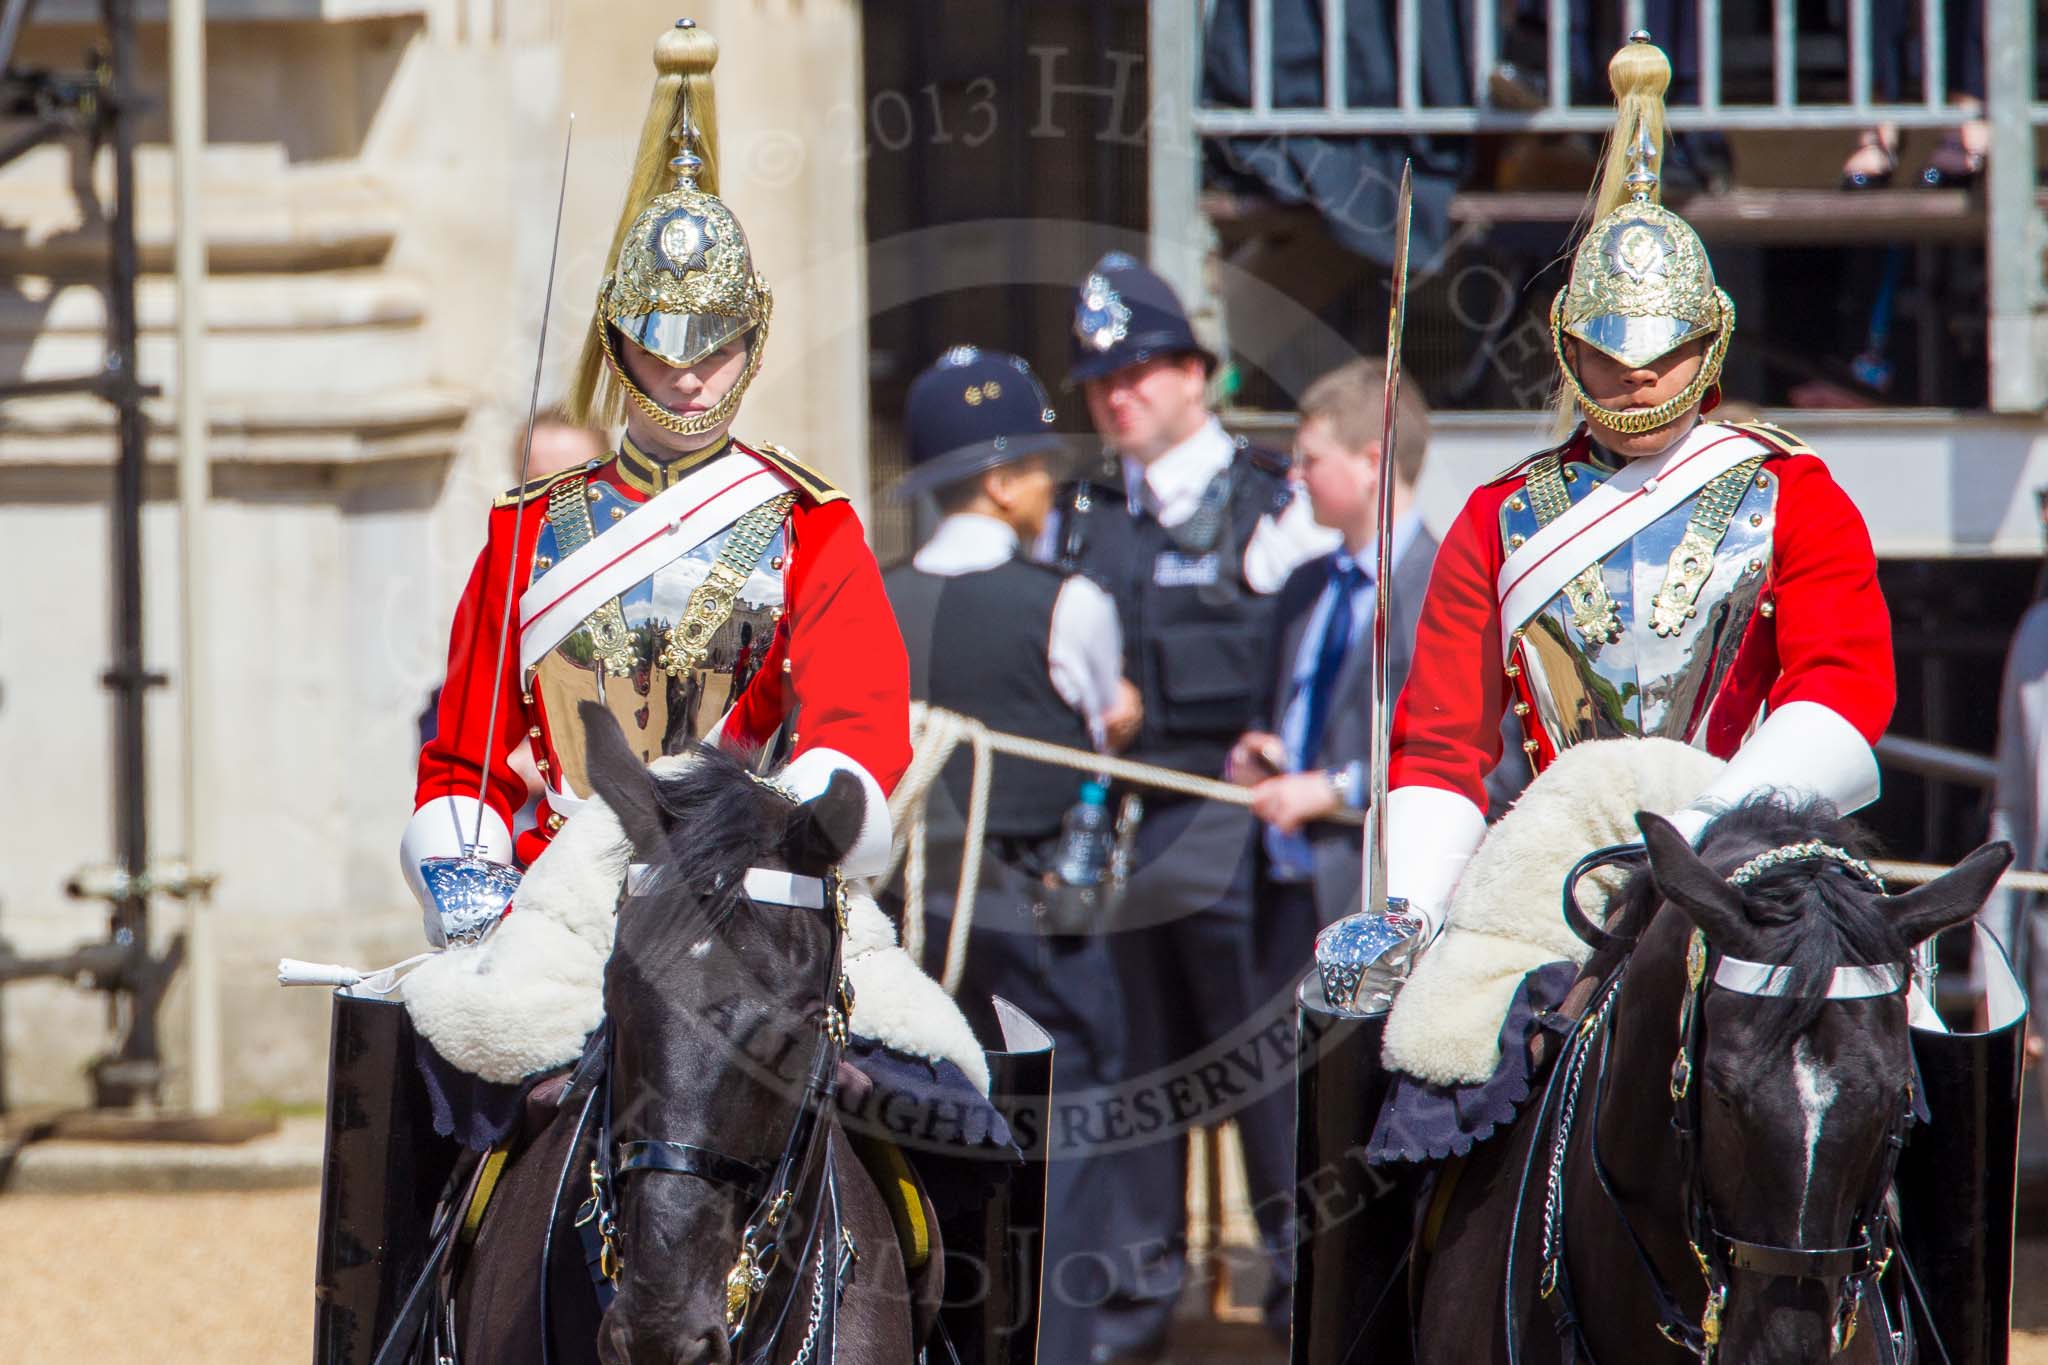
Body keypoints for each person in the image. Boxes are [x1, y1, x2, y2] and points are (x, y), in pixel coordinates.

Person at [1345, 33, 1898, 974]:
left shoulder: (1794, 492)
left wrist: (1699, 833)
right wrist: (1409, 910)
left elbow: (1843, 689)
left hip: (1752, 854)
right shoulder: (1498, 518)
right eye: (1610, 353)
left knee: (1900, 1045)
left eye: (1665, 350)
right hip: (1556, 872)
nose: (1639, 378)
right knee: (1412, 1064)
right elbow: (1439, 745)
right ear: (1569, 347)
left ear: (1710, 340)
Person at [403, 20, 910, 944]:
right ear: (617, 341)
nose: (688, 372)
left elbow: (857, 727)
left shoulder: (812, 523)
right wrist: (468, 876)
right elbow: (464, 759)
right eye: (660, 341)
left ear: (750, 341)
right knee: (454, 1058)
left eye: (714, 342)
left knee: (915, 1062)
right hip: (560, 901)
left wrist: (790, 833)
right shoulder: (528, 527)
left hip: (752, 894)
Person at [1048, 251, 1332, 1360]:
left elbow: (1337, 655)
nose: (1119, 395)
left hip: (1246, 840)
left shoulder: (1278, 501)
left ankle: (1304, 1317)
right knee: (1129, 1094)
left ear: (1196, 375)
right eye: (1099, 380)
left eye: (1142, 372)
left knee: (1272, 1095)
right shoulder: (1074, 516)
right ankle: (1127, 1329)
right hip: (1121, 842)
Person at [881, 345, 1124, 1365]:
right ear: (995, 477)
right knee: (1080, 1100)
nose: (1053, 483)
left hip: (908, 917)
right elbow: (1102, 728)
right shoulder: (1067, 600)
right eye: (1036, 463)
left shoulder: (877, 597)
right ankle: (1053, 1342)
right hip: (1032, 911)